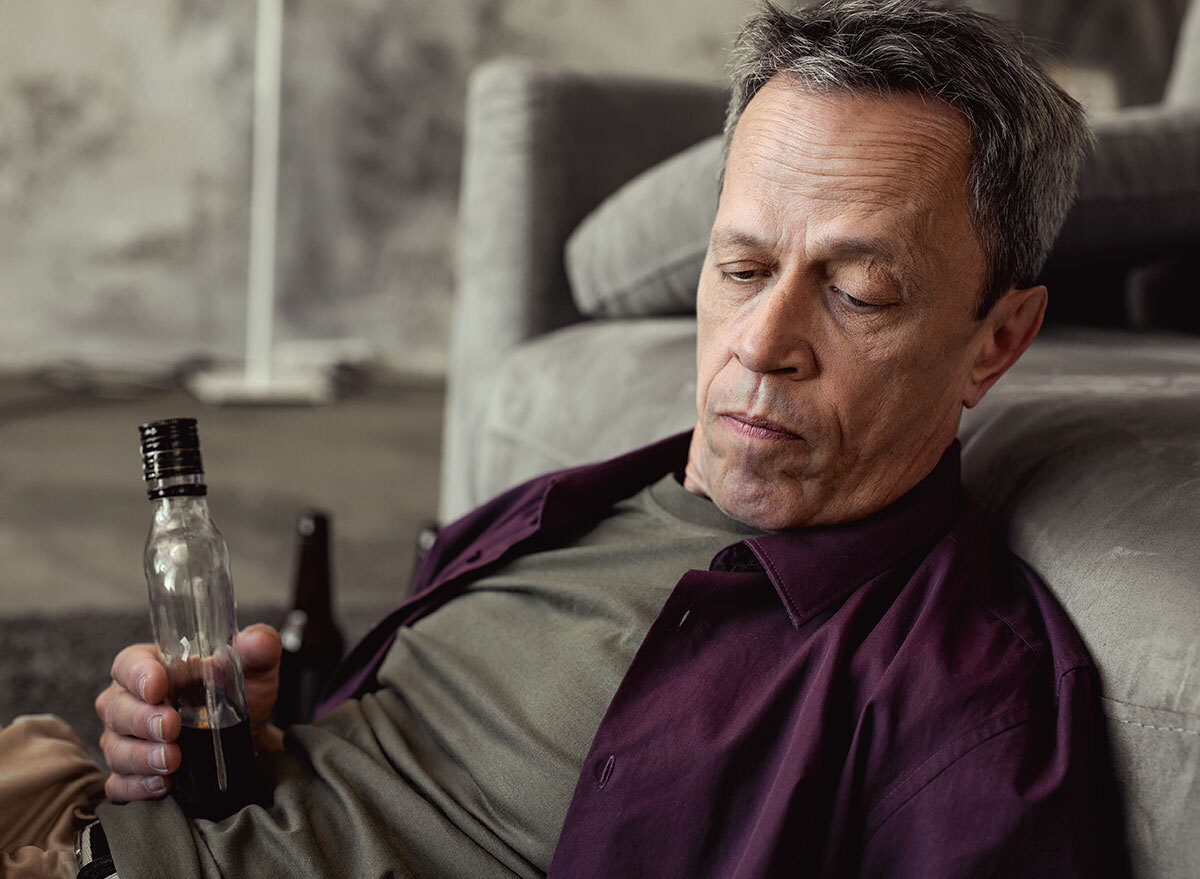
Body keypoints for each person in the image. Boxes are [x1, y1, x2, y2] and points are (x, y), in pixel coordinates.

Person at [1, 1, 1129, 877]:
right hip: (84, 801)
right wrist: (227, 738)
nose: (761, 342)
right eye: (740, 269)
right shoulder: (585, 505)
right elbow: (380, 760)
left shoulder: (962, 705)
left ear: (997, 340)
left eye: (861, 295)